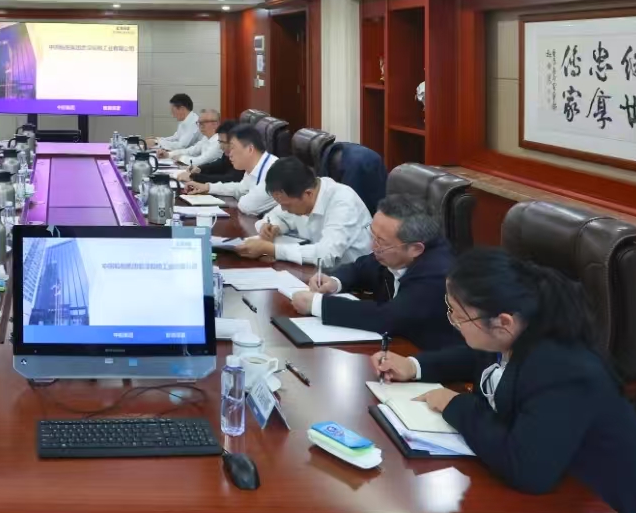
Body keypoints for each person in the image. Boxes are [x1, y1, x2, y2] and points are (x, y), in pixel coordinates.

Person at [373, 247, 636, 513]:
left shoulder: (564, 369)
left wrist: (457, 406)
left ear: (503, 322)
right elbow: (473, 355)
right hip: (543, 507)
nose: (452, 321)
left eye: (457, 314)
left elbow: (527, 470)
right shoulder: (520, 332)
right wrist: (414, 366)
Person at [291, 194, 457, 351]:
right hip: (394, 347)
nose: (373, 246)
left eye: (381, 241)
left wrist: (317, 305)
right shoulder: (394, 253)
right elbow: (361, 268)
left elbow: (389, 317)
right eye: (373, 235)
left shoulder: (439, 273)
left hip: (427, 357)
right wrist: (334, 282)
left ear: (415, 249)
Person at [236, 157, 372, 267]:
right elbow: (274, 217)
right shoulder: (299, 194)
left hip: (354, 281)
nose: (283, 209)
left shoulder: (342, 202)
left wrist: (271, 249)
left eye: (286, 205)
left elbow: (326, 255)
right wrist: (272, 227)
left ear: (308, 194)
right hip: (317, 273)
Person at [184, 124, 276, 216]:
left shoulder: (273, 172)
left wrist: (244, 195)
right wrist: (207, 187)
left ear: (250, 149)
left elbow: (247, 206)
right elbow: (240, 189)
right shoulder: (255, 166)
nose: (230, 154)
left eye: (232, 148)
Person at [176, 119, 244, 185]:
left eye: (223, 142)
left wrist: (194, 177)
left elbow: (230, 179)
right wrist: (200, 169)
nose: (221, 147)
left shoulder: (244, 157)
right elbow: (221, 164)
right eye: (220, 142)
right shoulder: (229, 153)